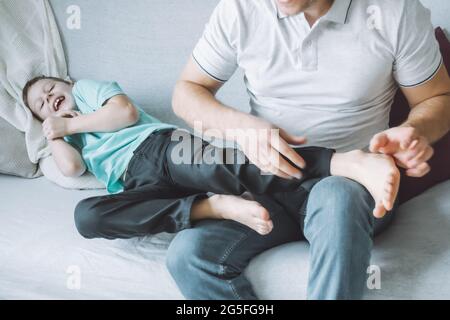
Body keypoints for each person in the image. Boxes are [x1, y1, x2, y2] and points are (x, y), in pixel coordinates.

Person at [168, 0, 450, 299]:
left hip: (352, 185)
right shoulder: (240, 9)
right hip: (269, 182)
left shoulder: (395, 10)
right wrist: (240, 127)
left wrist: (415, 131)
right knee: (188, 254)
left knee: (336, 195)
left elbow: (438, 97)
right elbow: (187, 92)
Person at [23, 76, 399, 237]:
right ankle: (209, 207)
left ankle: (340, 161)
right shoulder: (63, 133)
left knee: (234, 166)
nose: (49, 99)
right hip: (137, 183)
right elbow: (71, 169)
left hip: (161, 147)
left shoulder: (88, 92)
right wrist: (53, 132)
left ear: (68, 84)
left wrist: (70, 125)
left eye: (51, 89)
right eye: (40, 106)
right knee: (87, 217)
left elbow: (125, 114)